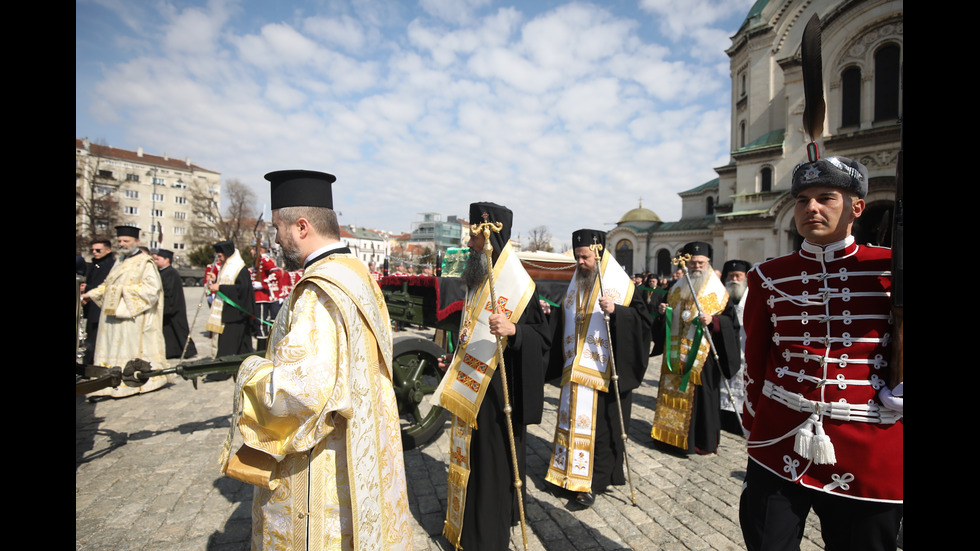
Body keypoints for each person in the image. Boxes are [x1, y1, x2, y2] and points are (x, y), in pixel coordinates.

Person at [220, 169, 413, 549]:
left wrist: (250, 373)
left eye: (279, 228)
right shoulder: (357, 273)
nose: (276, 239)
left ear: (302, 227)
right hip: (364, 436)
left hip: (325, 458)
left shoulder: (318, 291)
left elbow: (303, 390)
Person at [739, 156, 903, 551]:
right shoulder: (768, 276)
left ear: (856, 207)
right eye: (802, 200)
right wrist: (753, 424)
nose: (810, 208)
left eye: (826, 198)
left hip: (868, 442)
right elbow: (756, 357)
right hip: (780, 438)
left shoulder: (890, 268)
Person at [433, 202, 550, 550]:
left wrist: (515, 330)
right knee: (470, 462)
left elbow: (542, 340)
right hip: (470, 388)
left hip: (500, 392)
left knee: (493, 467)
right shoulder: (476, 278)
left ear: (489, 242)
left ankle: (489, 536)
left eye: (473, 240)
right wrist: (453, 360)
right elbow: (469, 331)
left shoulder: (520, 287)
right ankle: (466, 526)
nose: (468, 246)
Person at [543, 229, 650, 508]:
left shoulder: (620, 284)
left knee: (598, 429)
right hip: (574, 370)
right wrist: (548, 313)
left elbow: (642, 322)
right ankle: (566, 474)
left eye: (585, 257)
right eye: (577, 257)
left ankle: (591, 482)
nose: (580, 263)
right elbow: (568, 317)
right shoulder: (576, 282)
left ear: (598, 254)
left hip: (602, 373)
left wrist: (617, 312)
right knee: (569, 422)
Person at [650, 242, 740, 454]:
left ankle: (698, 442)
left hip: (702, 358)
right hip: (674, 356)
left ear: (708, 263)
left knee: (701, 399)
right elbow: (666, 314)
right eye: (692, 263)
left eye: (701, 262)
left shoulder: (719, 291)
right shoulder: (676, 287)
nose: (696, 266)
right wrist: (663, 311)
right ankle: (668, 440)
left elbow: (730, 323)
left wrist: (714, 321)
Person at [80, 225, 171, 398]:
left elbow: (152, 289)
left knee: (127, 352)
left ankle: (129, 382)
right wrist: (89, 295)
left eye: (126, 241)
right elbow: (107, 286)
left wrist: (123, 291)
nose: (122, 244)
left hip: (131, 317)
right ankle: (107, 383)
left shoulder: (145, 262)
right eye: (120, 241)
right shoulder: (119, 261)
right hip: (112, 316)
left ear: (136, 242)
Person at [718, 259, 750, 434]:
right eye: (730, 276)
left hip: (746, 350)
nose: (734, 279)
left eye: (738, 275)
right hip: (727, 351)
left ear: (745, 277)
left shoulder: (752, 296)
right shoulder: (721, 296)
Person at [206, 240, 254, 356]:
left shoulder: (239, 268)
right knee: (240, 350)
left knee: (229, 349)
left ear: (227, 253)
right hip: (228, 315)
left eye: (220, 256)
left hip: (236, 315)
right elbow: (229, 282)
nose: (219, 258)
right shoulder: (227, 265)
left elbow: (242, 289)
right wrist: (216, 278)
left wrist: (220, 287)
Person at [152, 249, 197, 359]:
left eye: (158, 259)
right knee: (169, 331)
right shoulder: (162, 272)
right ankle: (173, 351)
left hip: (173, 306)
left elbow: (168, 291)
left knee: (179, 329)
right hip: (168, 306)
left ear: (167, 260)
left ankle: (188, 350)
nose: (156, 261)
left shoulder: (170, 273)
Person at [82, 238, 116, 365]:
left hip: (101, 307)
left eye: (98, 250)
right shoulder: (95, 263)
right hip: (92, 305)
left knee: (96, 338)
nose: (94, 252)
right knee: (90, 337)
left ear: (108, 250)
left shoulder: (110, 265)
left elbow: (105, 287)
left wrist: (88, 289)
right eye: (92, 250)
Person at [249, 240, 282, 349]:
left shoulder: (264, 259)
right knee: (259, 324)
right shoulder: (257, 261)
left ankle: (262, 349)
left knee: (262, 325)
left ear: (260, 249)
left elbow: (276, 273)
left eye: (253, 249)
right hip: (258, 297)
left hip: (263, 297)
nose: (251, 251)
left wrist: (263, 284)